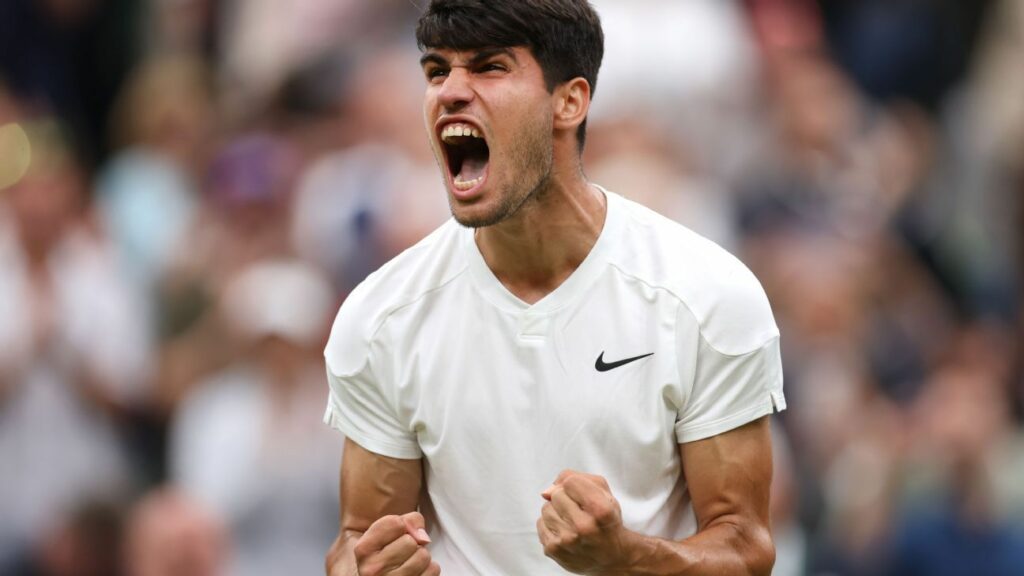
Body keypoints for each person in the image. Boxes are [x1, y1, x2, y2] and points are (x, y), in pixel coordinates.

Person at [322, 1, 785, 574]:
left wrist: (624, 558)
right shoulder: (380, 316)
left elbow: (746, 547)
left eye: (489, 68)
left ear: (570, 101)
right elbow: (355, 541)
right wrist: (365, 568)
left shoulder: (707, 296)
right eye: (437, 71)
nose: (451, 92)